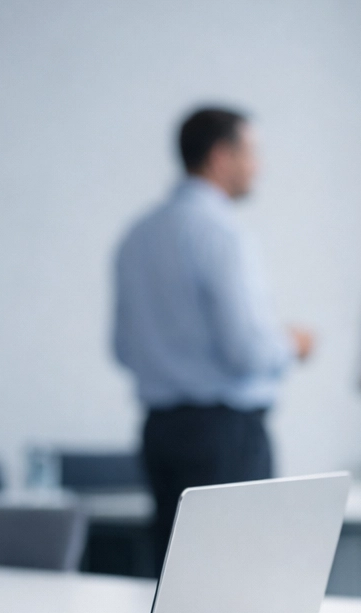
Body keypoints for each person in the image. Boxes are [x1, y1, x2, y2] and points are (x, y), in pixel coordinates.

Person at [113, 106, 314, 571]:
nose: (258, 167)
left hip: (160, 432)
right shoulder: (222, 233)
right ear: (222, 157)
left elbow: (123, 350)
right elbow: (248, 350)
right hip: (225, 437)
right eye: (252, 153)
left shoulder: (137, 236)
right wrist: (293, 344)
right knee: (237, 575)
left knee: (178, 578)